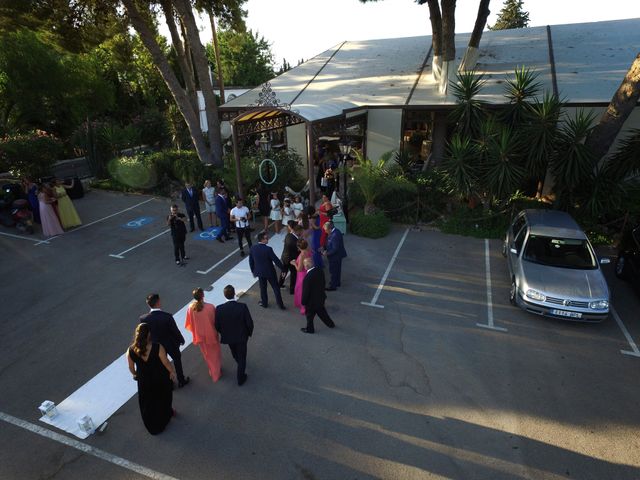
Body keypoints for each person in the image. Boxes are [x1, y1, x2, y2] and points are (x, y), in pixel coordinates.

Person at [127, 323, 176, 435]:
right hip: (160, 378)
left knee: (148, 402)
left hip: (144, 381)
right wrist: (172, 372)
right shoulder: (157, 347)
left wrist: (135, 375)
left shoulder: (130, 350)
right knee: (163, 398)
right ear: (148, 334)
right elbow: (166, 362)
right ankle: (165, 416)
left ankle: (152, 423)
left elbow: (130, 367)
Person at [139, 294, 190, 387]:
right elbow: (175, 331)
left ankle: (169, 384)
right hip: (170, 343)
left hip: (156, 346)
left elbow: (145, 333)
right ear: (158, 302)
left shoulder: (143, 318)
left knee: (163, 364)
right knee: (177, 360)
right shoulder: (167, 316)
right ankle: (181, 380)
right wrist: (181, 339)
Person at [215, 285, 254, 386]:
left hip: (229, 337)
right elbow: (249, 323)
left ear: (224, 295)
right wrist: (248, 333)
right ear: (234, 293)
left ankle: (239, 362)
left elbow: (217, 325)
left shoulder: (219, 309)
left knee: (234, 353)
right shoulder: (242, 307)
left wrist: (223, 333)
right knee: (242, 356)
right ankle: (240, 377)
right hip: (241, 337)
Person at [185, 288, 222, 382]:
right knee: (215, 354)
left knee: (207, 354)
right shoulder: (210, 307)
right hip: (211, 334)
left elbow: (189, 323)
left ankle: (212, 369)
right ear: (203, 295)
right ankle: (216, 372)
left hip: (200, 336)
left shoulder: (190, 308)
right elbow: (216, 321)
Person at [249, 231, 286, 310]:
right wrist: (283, 269)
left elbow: (251, 261)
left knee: (263, 288)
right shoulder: (268, 249)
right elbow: (276, 260)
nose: (268, 239)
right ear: (262, 240)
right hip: (270, 272)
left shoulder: (253, 248)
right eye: (266, 238)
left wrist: (253, 271)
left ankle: (264, 303)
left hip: (260, 272)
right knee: (275, 288)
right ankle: (280, 305)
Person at [300, 257, 336, 334]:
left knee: (309, 316)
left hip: (311, 302)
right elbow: (323, 283)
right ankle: (331, 324)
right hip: (320, 298)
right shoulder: (319, 271)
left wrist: (303, 302)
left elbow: (306, 292)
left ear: (306, 266)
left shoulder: (307, 278)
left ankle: (310, 329)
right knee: (322, 313)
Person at [323, 221, 347, 290]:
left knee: (333, 271)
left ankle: (333, 286)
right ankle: (337, 283)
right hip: (338, 255)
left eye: (326, 230)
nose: (325, 232)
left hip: (335, 256)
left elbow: (334, 249)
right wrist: (324, 247)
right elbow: (328, 242)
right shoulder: (334, 232)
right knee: (337, 270)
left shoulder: (335, 235)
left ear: (330, 229)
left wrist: (326, 253)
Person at [279, 221, 301, 294]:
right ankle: (292, 289)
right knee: (294, 274)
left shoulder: (288, 235)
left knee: (284, 271)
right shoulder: (295, 240)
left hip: (285, 257)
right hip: (292, 259)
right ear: (297, 231)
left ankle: (280, 284)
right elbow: (298, 250)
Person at [293, 238, 312, 315]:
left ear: (299, 247)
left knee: (301, 291)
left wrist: (294, 263)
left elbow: (299, 269)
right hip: (308, 273)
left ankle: (303, 307)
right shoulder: (309, 251)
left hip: (302, 276)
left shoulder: (302, 255)